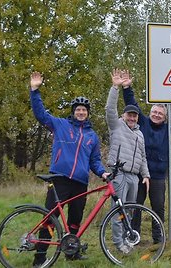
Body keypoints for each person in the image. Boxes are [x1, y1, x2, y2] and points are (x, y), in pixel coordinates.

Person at [29, 72, 108, 267]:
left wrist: (103, 172)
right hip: (59, 179)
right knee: (50, 218)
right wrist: (34, 90)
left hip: (80, 182)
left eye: (84, 110)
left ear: (88, 113)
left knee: (74, 220)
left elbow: (95, 161)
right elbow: (40, 114)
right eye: (78, 109)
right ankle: (39, 258)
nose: (81, 112)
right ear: (73, 112)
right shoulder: (60, 125)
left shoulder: (92, 136)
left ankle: (71, 252)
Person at [122, 70, 171, 244]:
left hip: (158, 176)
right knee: (136, 207)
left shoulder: (168, 129)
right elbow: (132, 105)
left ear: (164, 117)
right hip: (139, 174)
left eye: (160, 114)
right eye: (154, 112)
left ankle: (158, 237)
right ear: (150, 113)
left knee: (158, 208)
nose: (156, 115)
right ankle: (134, 237)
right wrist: (126, 87)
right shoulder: (144, 123)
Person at [106, 69, 150, 254]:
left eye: (135, 115)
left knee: (129, 211)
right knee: (118, 210)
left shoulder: (139, 134)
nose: (132, 118)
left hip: (134, 177)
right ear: (124, 116)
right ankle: (118, 244)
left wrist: (146, 175)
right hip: (119, 174)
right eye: (129, 115)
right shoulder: (116, 126)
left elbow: (143, 157)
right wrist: (116, 87)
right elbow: (110, 109)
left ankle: (127, 239)